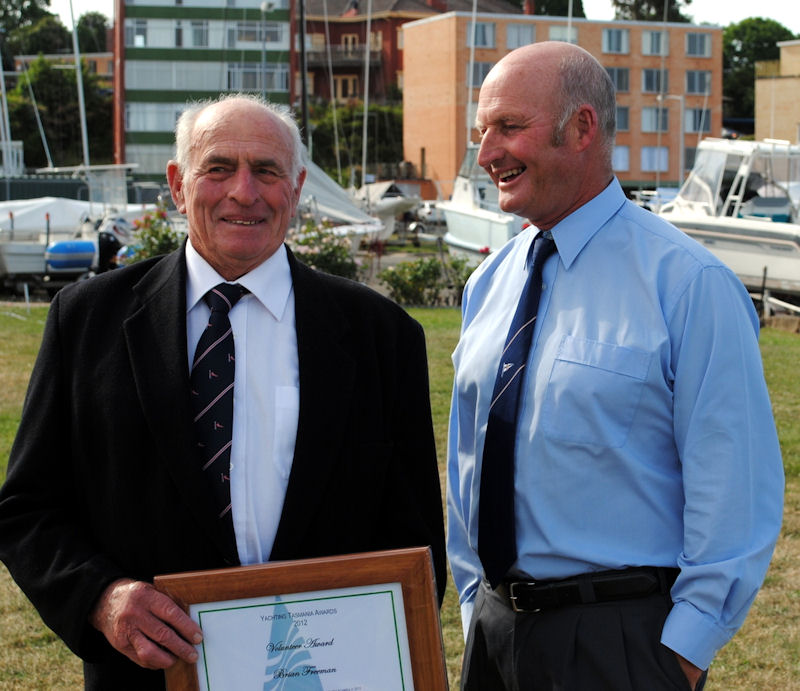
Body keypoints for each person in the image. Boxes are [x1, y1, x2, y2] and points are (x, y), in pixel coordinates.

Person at [0, 94, 446, 690]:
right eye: (218, 168)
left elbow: (414, 539)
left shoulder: (381, 336)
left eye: (266, 170)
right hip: (147, 676)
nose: (244, 191)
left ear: (297, 187)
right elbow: (28, 509)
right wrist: (101, 598)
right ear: (179, 185)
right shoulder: (86, 321)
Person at [446, 41, 784, 690]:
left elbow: (735, 493)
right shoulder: (487, 285)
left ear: (582, 128)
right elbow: (466, 463)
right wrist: (473, 606)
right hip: (494, 638)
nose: (487, 154)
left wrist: (679, 656)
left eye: (508, 127)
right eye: (482, 131)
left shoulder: (688, 284)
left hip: (621, 646)